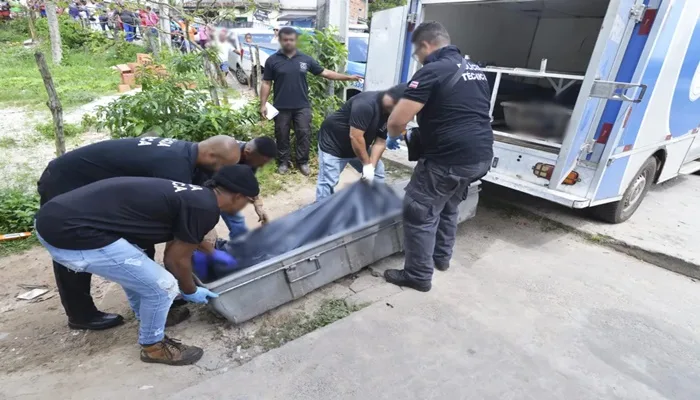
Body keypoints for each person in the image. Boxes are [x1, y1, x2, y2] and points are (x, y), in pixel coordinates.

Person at [35, 165, 260, 366]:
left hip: (57, 216)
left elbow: (186, 230)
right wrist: (190, 290)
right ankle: (153, 346)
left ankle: (147, 315)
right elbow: (174, 259)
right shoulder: (206, 208)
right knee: (162, 287)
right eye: (248, 202)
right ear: (238, 196)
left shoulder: (196, 194)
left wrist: (211, 252)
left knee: (137, 264)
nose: (244, 207)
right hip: (69, 233)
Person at [36, 136, 241, 331]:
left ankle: (150, 299)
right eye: (224, 167)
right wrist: (188, 277)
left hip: (95, 185)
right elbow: (177, 227)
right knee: (74, 239)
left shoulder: (186, 153)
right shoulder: (172, 168)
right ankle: (81, 314)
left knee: (139, 239)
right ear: (211, 157)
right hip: (66, 181)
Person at [382, 21, 494, 292]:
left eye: (416, 53)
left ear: (425, 46)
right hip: (479, 156)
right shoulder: (476, 70)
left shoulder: (432, 71)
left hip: (448, 159)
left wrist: (395, 134)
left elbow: (397, 119)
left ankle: (418, 275)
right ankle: (441, 258)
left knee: (419, 209)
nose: (417, 59)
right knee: (448, 205)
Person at [259, 26, 362, 176]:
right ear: (280, 41)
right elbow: (266, 82)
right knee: (281, 134)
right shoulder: (272, 61)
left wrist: (347, 77)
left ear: (296, 41)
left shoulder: (305, 59)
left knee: (304, 133)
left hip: (302, 106)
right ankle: (283, 162)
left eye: (291, 40)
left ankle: (303, 162)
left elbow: (325, 72)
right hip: (281, 106)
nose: (288, 42)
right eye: (285, 40)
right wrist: (263, 104)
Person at [315, 84, 406, 200]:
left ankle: (373, 204)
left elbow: (380, 142)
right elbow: (355, 137)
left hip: (359, 146)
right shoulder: (366, 104)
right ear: (393, 100)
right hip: (334, 144)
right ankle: (322, 211)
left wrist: (371, 167)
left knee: (378, 170)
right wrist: (366, 165)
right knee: (328, 182)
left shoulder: (391, 113)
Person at [193, 137, 277, 240]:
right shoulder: (226, 154)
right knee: (202, 230)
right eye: (262, 162)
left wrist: (258, 205)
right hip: (200, 186)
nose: (262, 166)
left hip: (222, 190)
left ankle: (240, 246)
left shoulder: (251, 157)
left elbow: (247, 182)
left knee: (237, 222)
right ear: (248, 152)